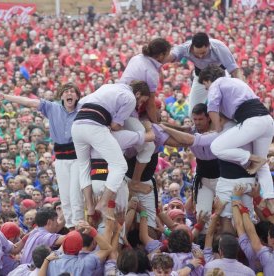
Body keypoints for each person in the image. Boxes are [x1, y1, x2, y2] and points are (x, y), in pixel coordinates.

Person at [0, 83, 84, 228]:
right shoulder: (53, 107)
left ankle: (80, 226)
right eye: (66, 91)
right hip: (61, 159)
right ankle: (71, 228)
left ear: (77, 96)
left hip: (77, 158)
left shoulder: (83, 109)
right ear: (61, 96)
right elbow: (29, 102)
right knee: (65, 196)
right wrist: (6, 97)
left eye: (72, 92)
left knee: (76, 195)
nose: (69, 94)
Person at [199, 65, 274, 211]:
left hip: (253, 122)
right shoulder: (236, 82)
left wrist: (218, 131)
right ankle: (270, 200)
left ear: (208, 80)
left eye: (205, 86)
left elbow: (212, 109)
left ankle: (251, 158)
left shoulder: (217, 83)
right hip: (267, 121)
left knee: (217, 147)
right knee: (263, 166)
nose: (207, 89)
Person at [72, 80, 151, 219]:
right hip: (94, 126)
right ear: (138, 93)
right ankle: (103, 203)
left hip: (77, 125)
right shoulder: (130, 97)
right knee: (120, 166)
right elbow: (115, 126)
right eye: (141, 101)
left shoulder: (106, 87)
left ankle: (90, 207)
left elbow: (79, 104)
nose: (139, 105)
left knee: (83, 166)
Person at [119, 38, 171, 191]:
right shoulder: (152, 72)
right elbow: (149, 104)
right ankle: (135, 181)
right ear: (161, 55)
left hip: (123, 106)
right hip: (126, 110)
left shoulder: (137, 58)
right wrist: (156, 124)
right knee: (148, 146)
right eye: (167, 54)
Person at [165, 32, 244, 114]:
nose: (200, 56)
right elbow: (171, 55)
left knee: (227, 107)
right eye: (197, 53)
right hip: (200, 77)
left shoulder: (219, 46)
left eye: (203, 53)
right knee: (192, 111)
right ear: (192, 47)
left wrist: (241, 87)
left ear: (209, 46)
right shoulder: (184, 48)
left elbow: (234, 70)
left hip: (221, 76)